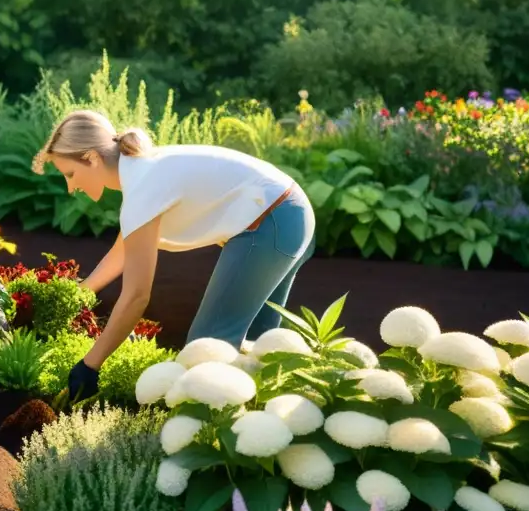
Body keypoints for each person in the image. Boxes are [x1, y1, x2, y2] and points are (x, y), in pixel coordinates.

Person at [32, 109, 316, 401]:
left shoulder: (143, 186)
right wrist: (78, 295)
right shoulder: (143, 171)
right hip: (289, 215)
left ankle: (211, 439)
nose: (71, 186)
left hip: (272, 222)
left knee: (205, 353)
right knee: (259, 351)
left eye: (70, 174)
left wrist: (90, 365)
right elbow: (122, 253)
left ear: (91, 158)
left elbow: (136, 297)